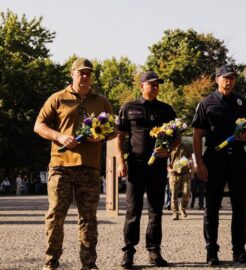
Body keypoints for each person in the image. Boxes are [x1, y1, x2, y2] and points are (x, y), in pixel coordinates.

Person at [34, 57, 115, 270]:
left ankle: (89, 264)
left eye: (88, 72)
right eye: (81, 72)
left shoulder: (101, 101)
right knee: (55, 216)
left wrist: (101, 137)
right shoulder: (58, 98)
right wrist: (59, 137)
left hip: (89, 167)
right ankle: (51, 262)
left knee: (88, 218)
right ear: (72, 73)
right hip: (61, 166)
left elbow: (113, 130)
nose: (85, 76)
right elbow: (39, 125)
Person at [192, 65, 246, 266]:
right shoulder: (206, 103)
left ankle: (239, 250)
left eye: (232, 78)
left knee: (240, 208)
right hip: (214, 159)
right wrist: (199, 162)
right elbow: (197, 135)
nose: (230, 81)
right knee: (211, 208)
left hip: (237, 158)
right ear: (217, 79)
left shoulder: (242, 103)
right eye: (226, 78)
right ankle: (211, 251)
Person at [116, 71, 177, 268]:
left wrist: (168, 150)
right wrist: (120, 161)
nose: (155, 87)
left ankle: (154, 251)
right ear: (142, 86)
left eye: (158, 84)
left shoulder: (166, 110)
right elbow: (120, 136)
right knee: (133, 210)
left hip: (157, 167)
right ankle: (128, 252)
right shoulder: (129, 107)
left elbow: (176, 137)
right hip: (136, 164)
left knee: (156, 211)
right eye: (151, 84)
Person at [168, 141, 193, 220]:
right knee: (174, 194)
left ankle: (182, 207)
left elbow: (189, 156)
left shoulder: (186, 145)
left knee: (187, 192)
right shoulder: (169, 145)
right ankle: (175, 213)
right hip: (174, 174)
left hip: (185, 173)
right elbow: (167, 159)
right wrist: (169, 169)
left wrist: (190, 163)